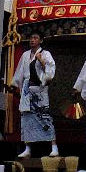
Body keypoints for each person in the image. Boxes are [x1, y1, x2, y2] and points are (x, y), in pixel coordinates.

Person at [9, 30, 58, 158]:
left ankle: (54, 146)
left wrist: (41, 61)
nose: (32, 40)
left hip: (40, 89)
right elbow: (20, 71)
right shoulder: (25, 55)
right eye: (31, 38)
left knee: (45, 116)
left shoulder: (46, 54)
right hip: (27, 89)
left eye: (35, 38)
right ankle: (28, 147)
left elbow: (50, 74)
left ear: (41, 40)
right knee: (27, 118)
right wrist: (14, 85)